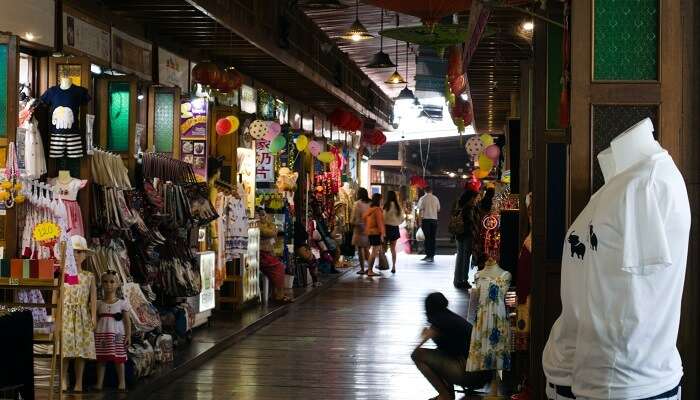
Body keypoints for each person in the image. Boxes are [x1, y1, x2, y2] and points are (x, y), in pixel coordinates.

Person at [412, 292, 492, 400]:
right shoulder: (450, 317)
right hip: (482, 374)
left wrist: (424, 336)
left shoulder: (439, 320)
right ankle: (447, 394)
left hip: (470, 373)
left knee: (417, 355)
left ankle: (445, 395)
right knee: (439, 354)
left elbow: (417, 349)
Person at [62, 235, 97, 393]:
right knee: (65, 350)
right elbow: (58, 296)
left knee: (80, 352)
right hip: (66, 315)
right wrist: (56, 317)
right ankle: (63, 380)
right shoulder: (64, 274)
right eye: (73, 252)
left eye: (79, 252)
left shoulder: (89, 276)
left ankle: (79, 382)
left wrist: (94, 316)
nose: (76, 255)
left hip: (82, 315)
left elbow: (93, 299)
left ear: (84, 255)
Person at [94, 270, 131, 392]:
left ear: (118, 284)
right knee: (101, 359)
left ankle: (122, 382)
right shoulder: (98, 303)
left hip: (118, 334)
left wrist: (128, 335)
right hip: (101, 334)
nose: (108, 285)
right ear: (101, 283)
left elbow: (126, 321)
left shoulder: (122, 303)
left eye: (112, 282)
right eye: (105, 282)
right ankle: (99, 383)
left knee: (119, 358)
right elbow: (95, 319)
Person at [453, 187, 480, 288]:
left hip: (459, 234)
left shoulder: (459, 205)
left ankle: (457, 279)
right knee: (465, 258)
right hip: (467, 234)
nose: (475, 200)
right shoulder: (469, 208)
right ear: (470, 198)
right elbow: (470, 222)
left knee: (460, 257)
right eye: (474, 198)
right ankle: (464, 280)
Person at [363, 193, 385, 277]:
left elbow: (364, 218)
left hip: (370, 232)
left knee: (373, 251)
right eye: (381, 199)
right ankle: (370, 270)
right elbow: (380, 223)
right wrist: (382, 234)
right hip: (376, 232)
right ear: (379, 200)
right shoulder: (377, 210)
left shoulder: (370, 209)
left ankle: (369, 269)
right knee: (374, 252)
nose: (382, 200)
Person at [351, 188, 371, 274]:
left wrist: (352, 222)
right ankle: (370, 268)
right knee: (367, 249)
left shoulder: (357, 204)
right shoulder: (371, 203)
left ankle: (362, 269)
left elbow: (354, 217)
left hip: (359, 228)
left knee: (360, 249)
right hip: (369, 228)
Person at [417, 186, 440, 262]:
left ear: (425, 191)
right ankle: (432, 255)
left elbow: (420, 211)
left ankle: (428, 255)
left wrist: (419, 222)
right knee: (433, 238)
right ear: (431, 191)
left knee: (427, 238)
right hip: (434, 220)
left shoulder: (422, 198)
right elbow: (438, 209)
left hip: (426, 220)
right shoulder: (436, 198)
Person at [383, 190, 403, 273]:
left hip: (386, 228)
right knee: (393, 249)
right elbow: (402, 219)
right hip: (394, 228)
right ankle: (394, 267)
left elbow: (382, 218)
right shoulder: (398, 206)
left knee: (383, 248)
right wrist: (396, 222)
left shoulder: (386, 206)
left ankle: (383, 263)